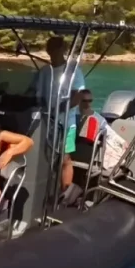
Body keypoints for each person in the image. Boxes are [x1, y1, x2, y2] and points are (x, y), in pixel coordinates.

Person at [35, 35, 89, 197]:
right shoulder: (45, 72)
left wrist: (59, 109)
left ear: (64, 50)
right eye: (51, 49)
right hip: (46, 121)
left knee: (64, 158)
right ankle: (48, 191)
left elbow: (78, 95)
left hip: (66, 122)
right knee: (47, 157)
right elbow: (37, 94)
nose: (54, 53)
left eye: (57, 49)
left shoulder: (73, 71)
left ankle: (66, 192)